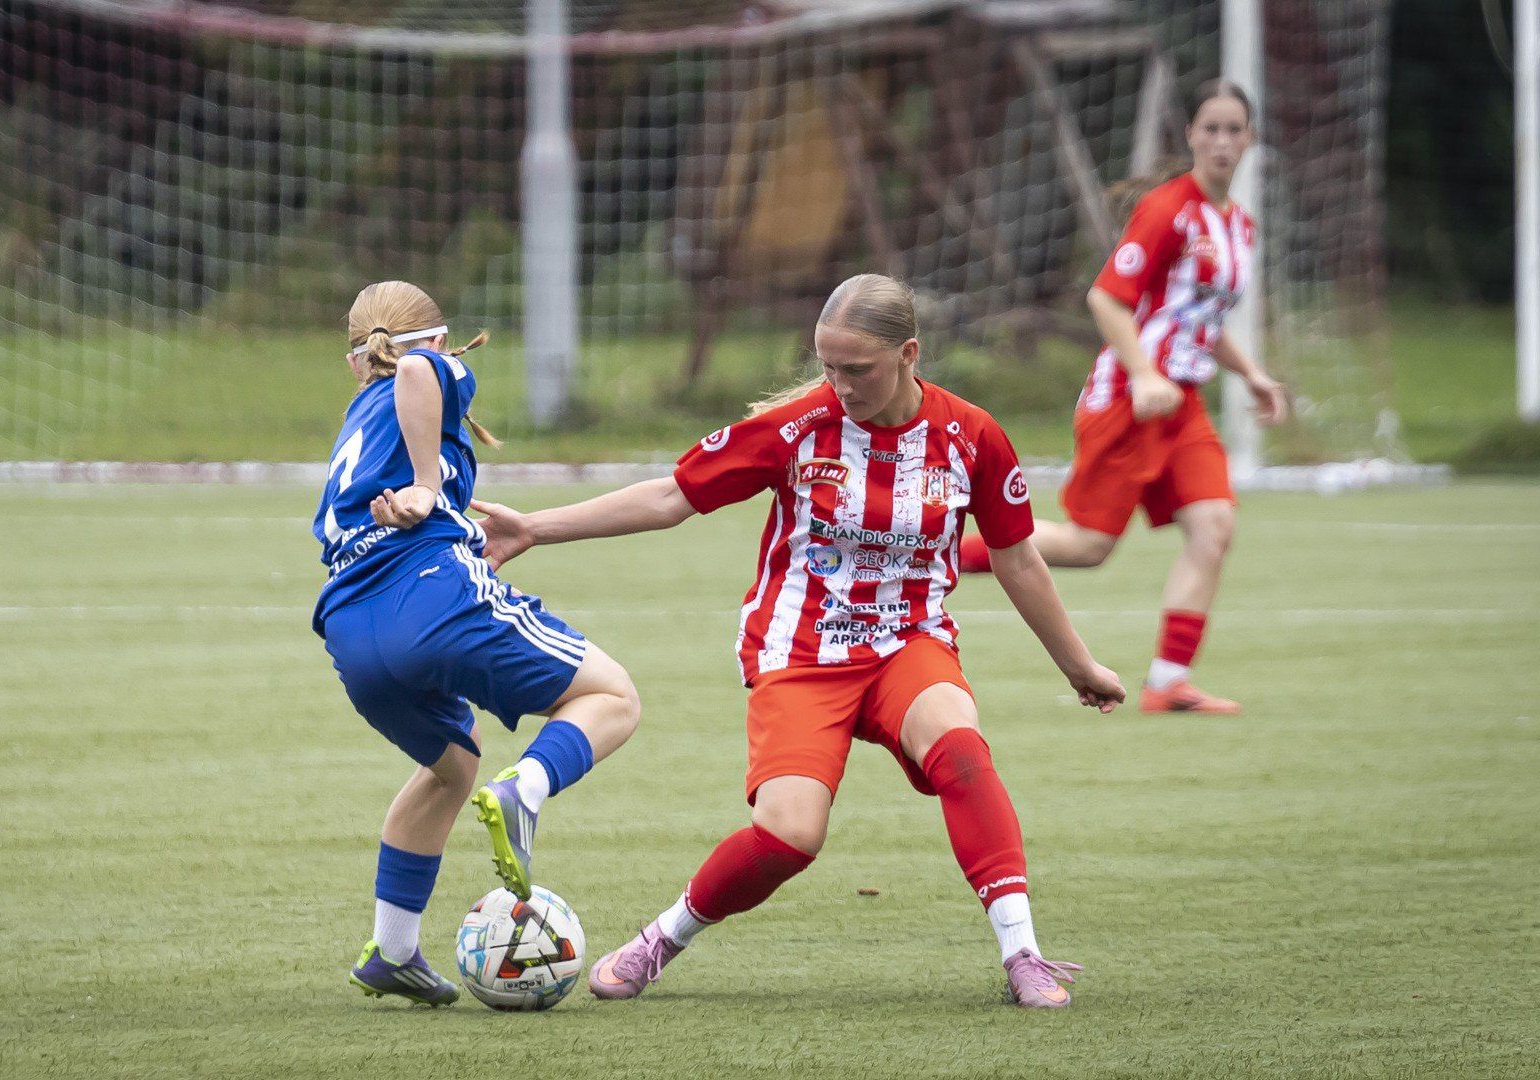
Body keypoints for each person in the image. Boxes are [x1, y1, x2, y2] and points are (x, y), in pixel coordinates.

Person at [475, 273, 1125, 1009]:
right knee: (790, 837)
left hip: (908, 644)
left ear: (910, 354)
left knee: (962, 750)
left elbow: (1018, 558)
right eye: (827, 366)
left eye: (858, 370)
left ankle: (1024, 956)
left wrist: (1081, 666)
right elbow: (670, 497)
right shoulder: (797, 427)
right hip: (801, 653)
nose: (839, 385)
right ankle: (664, 935)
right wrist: (535, 527)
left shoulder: (972, 436)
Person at [312, 281, 640, 1006]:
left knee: (450, 766)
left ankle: (392, 951)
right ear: (437, 336)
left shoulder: (359, 417)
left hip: (348, 626)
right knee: (612, 696)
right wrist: (430, 488)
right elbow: (421, 372)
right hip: (427, 587)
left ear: (351, 361)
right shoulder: (430, 367)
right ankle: (526, 789)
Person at [960, 80, 1288, 714]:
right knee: (1087, 546)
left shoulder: (1238, 225)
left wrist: (1251, 374)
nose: (1222, 141)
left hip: (1181, 403)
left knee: (1214, 525)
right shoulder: (1169, 209)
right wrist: (1143, 374)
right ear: (1190, 136)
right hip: (1129, 399)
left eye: (1234, 130)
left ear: (1250, 140)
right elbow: (1106, 298)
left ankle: (1168, 681)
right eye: (1210, 128)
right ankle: (939, 549)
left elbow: (1199, 320)